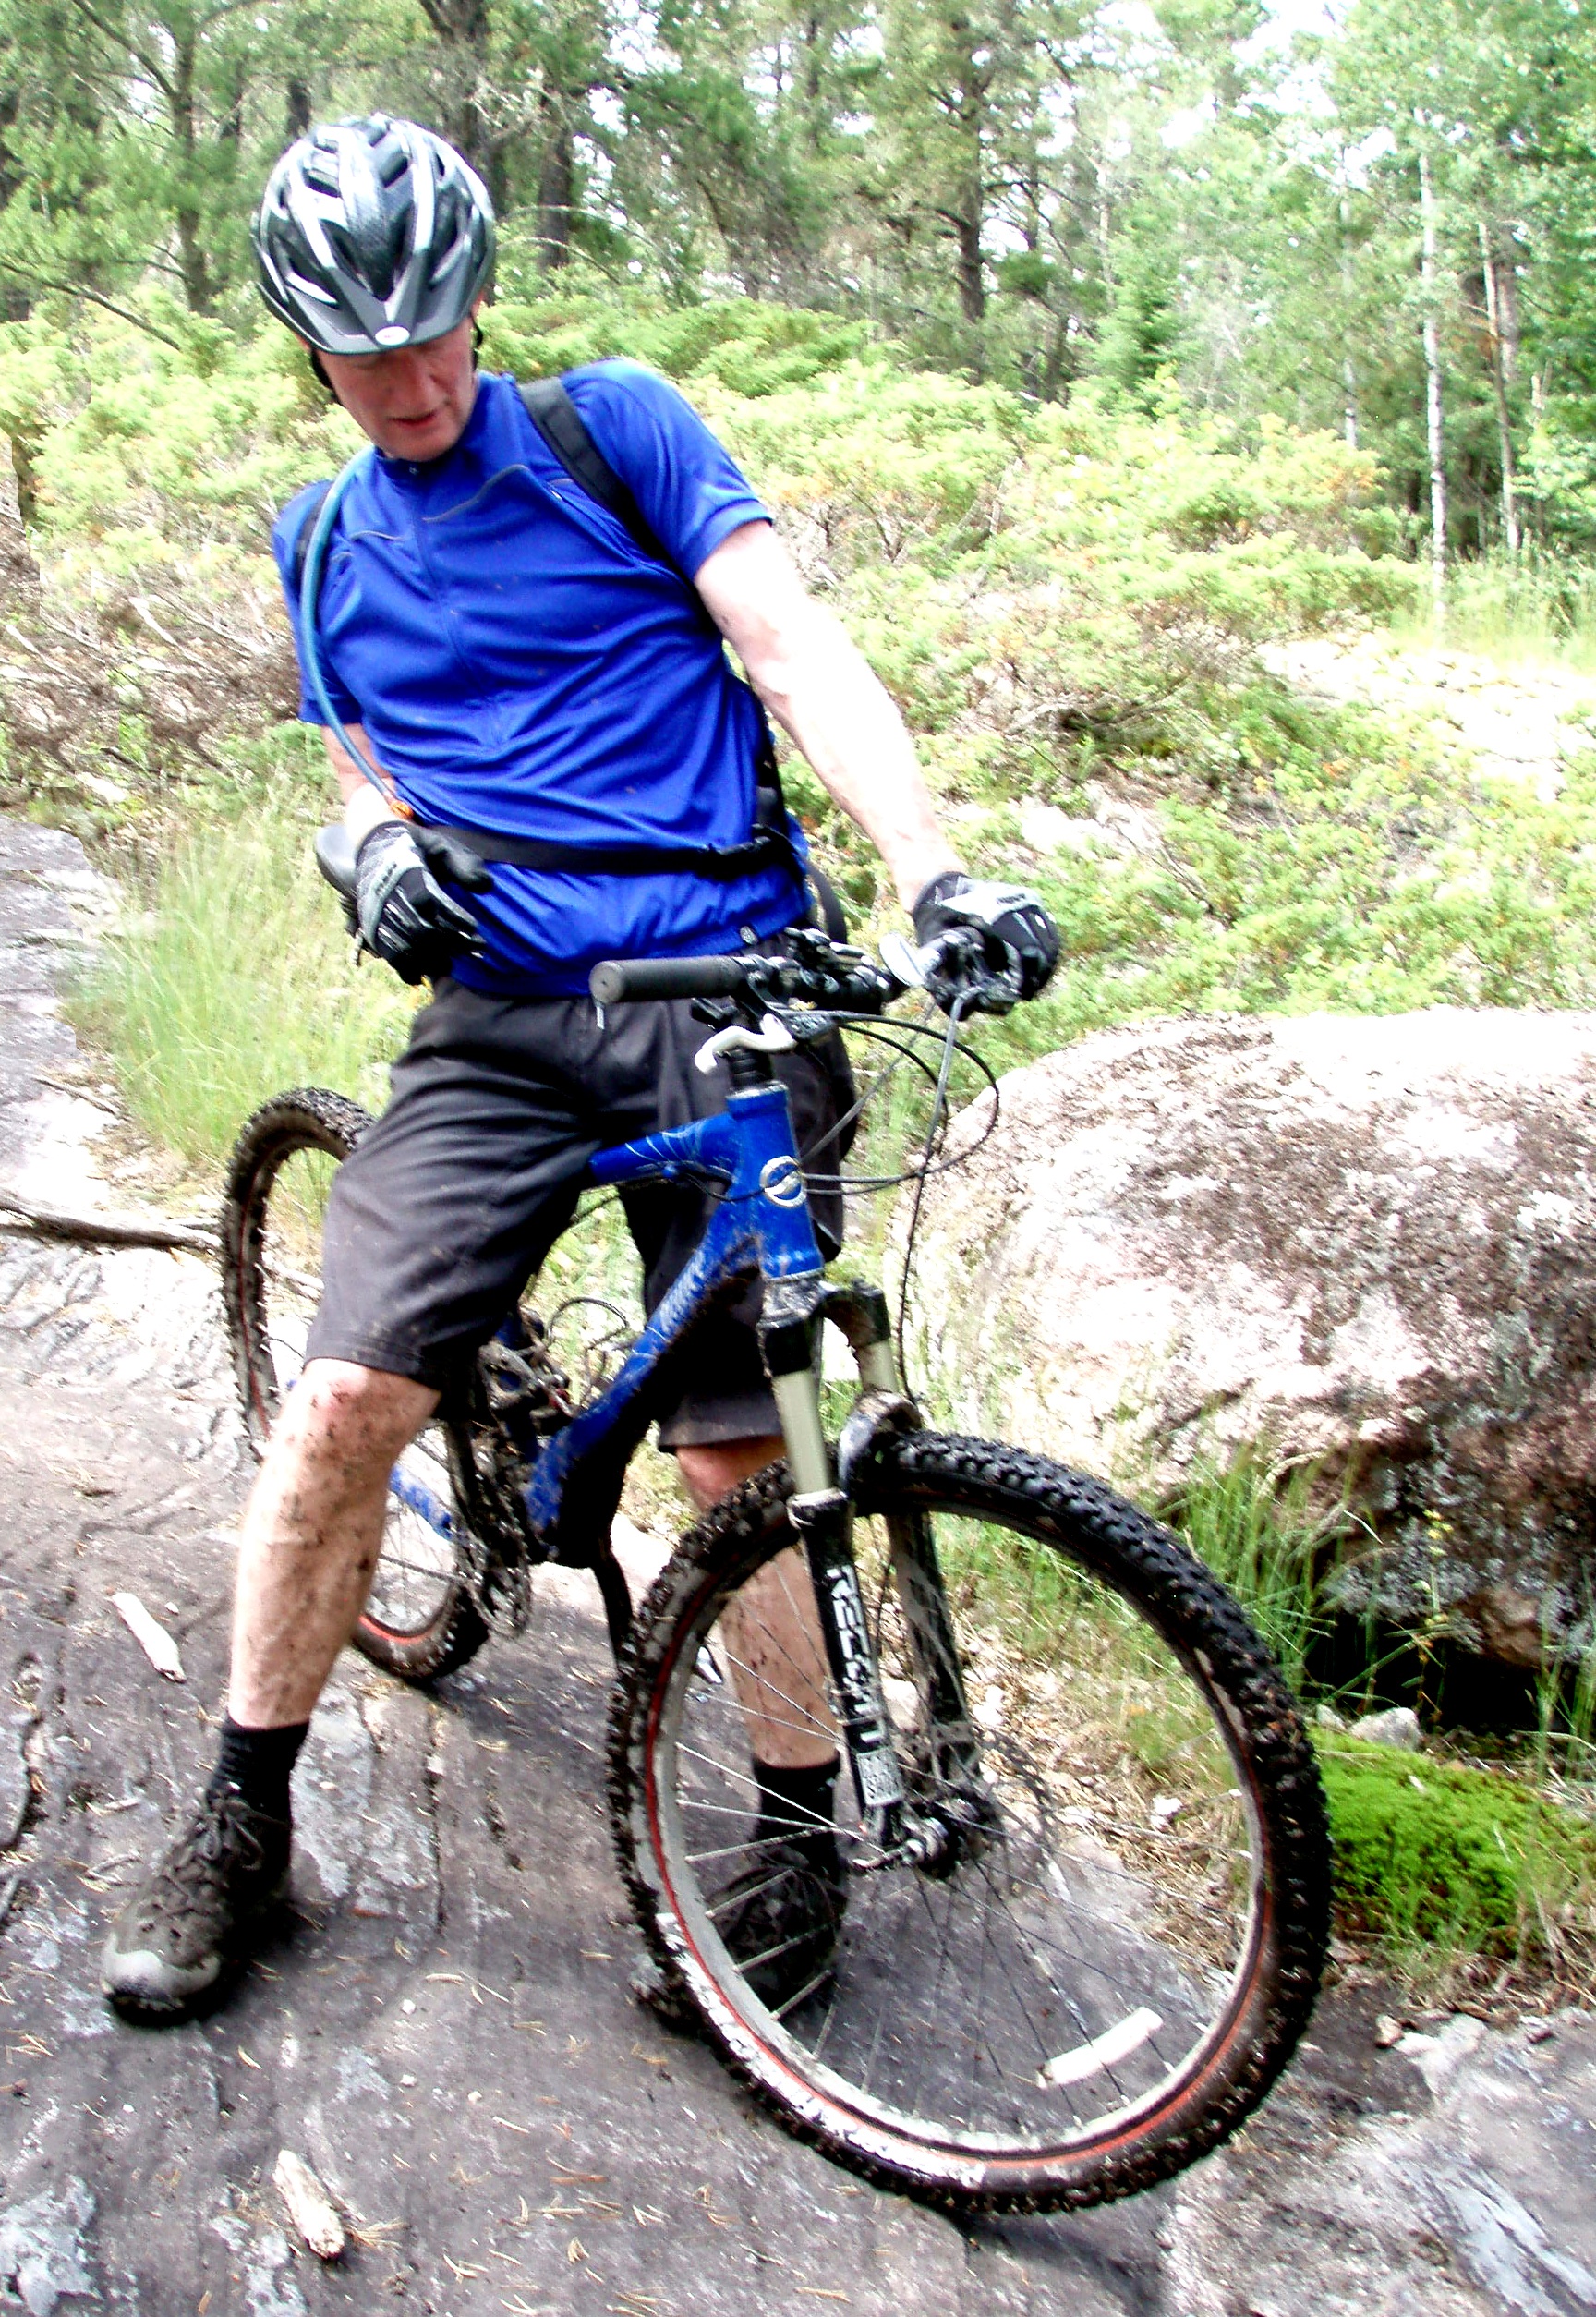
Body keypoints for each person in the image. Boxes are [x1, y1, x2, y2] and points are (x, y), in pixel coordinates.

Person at [101, 113, 1059, 2019]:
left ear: (479, 304)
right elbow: (359, 765)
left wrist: (931, 868)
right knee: (340, 1407)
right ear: (308, 350)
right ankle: (240, 1819)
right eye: (363, 353)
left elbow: (790, 646)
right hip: (499, 1021)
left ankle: (794, 1838)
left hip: (727, 986)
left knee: (740, 1448)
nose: (409, 380)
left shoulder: (614, 429)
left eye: (433, 334)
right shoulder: (320, 537)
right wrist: (370, 850)